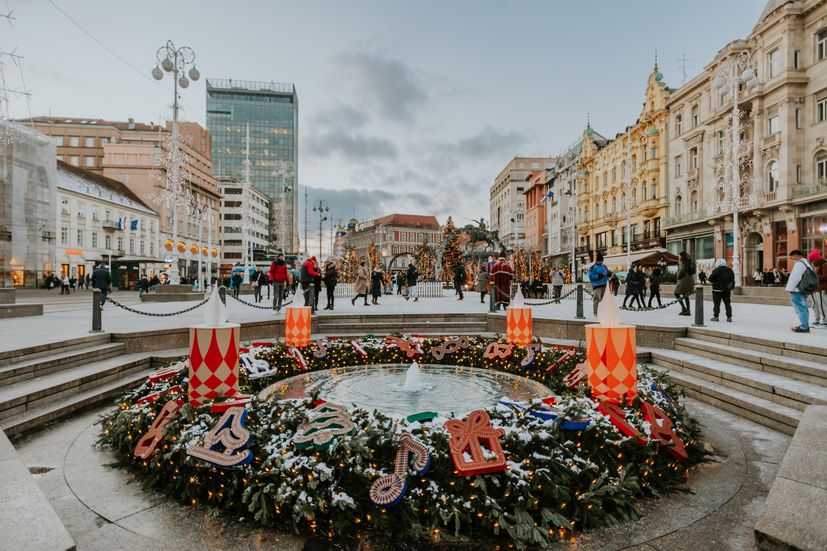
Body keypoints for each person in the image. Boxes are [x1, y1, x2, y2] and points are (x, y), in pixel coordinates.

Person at [787, 250, 816, 333]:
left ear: (796, 256)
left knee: (800, 308)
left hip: (797, 289)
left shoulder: (799, 264)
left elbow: (795, 277)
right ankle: (804, 324)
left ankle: (804, 327)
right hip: (804, 289)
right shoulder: (807, 264)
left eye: (792, 257)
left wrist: (790, 288)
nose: (792, 259)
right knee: (803, 307)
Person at [675, 251, 696, 316]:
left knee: (676, 293)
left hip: (683, 280)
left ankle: (684, 309)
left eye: (679, 256)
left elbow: (682, 270)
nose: (679, 257)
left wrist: (678, 276)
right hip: (689, 280)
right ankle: (688, 310)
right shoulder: (689, 262)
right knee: (685, 295)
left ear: (682, 256)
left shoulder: (682, 262)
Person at [810, 249, 827, 328]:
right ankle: (816, 320)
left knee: (823, 306)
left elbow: (825, 277)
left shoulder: (824, 264)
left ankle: (825, 322)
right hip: (816, 288)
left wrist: (814, 276)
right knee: (815, 305)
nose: (812, 262)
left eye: (812, 260)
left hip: (822, 289)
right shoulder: (817, 265)